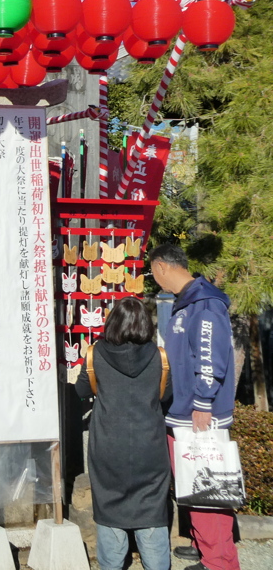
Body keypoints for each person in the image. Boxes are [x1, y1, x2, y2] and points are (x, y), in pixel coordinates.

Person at [149, 243, 238, 570]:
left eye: (153, 272)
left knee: (207, 501)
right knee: (201, 500)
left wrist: (202, 400)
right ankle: (216, 558)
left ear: (161, 268)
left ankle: (219, 563)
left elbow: (209, 353)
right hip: (187, 414)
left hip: (199, 417)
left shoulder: (204, 303)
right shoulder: (186, 303)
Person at [76, 297, 173, 570]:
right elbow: (168, 394)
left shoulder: (96, 354)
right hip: (150, 446)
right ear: (146, 324)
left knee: (109, 507)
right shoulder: (159, 356)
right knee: (152, 508)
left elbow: (82, 391)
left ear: (112, 323)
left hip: (108, 445)